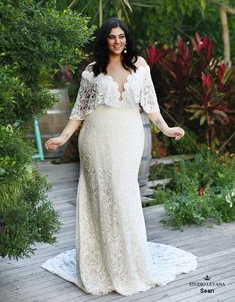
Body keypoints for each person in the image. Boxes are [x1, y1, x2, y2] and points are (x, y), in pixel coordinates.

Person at [42, 18, 197, 296]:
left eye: (121, 36)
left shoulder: (140, 66)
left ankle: (129, 264)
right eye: (112, 37)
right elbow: (79, 110)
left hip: (128, 136)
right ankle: (101, 265)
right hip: (96, 138)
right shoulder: (92, 71)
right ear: (105, 40)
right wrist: (63, 137)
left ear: (127, 38)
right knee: (100, 195)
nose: (117, 41)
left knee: (124, 195)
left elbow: (150, 105)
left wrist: (166, 128)